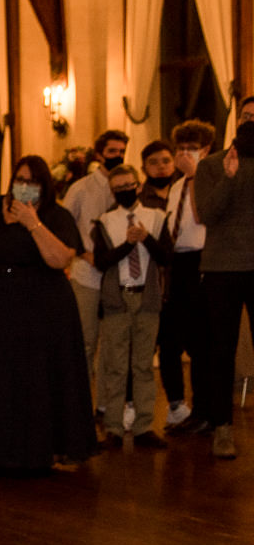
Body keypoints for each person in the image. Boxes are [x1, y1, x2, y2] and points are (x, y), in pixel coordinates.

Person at [0, 156, 96, 472]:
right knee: (0, 377)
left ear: (44, 186)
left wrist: (33, 224)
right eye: (20, 179)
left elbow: (59, 259)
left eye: (32, 182)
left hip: (44, 307)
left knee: (40, 378)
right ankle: (1, 451)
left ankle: (48, 450)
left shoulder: (55, 215)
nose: (24, 186)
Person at [91, 165, 171, 449]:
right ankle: (113, 427)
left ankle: (144, 426)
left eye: (129, 185)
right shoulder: (104, 221)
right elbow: (101, 261)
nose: (125, 191)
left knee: (143, 366)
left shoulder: (157, 218)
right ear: (113, 191)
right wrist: (128, 244)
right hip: (117, 299)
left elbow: (166, 256)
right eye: (118, 188)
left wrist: (146, 237)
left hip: (147, 298)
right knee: (115, 366)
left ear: (138, 186)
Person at [195, 114, 254, 459]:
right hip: (222, 269)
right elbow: (207, 214)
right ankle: (222, 428)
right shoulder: (212, 165)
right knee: (221, 351)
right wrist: (230, 179)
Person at [63, 129, 128, 409]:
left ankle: (106, 405)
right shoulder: (81, 187)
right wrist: (82, 253)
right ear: (100, 153)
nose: (118, 156)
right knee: (87, 342)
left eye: (122, 151)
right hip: (87, 274)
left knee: (113, 347)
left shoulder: (127, 184)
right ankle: (81, 405)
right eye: (112, 151)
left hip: (118, 274)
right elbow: (65, 225)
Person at [160, 120, 217, 434]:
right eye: (180, 149)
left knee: (201, 342)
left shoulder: (207, 178)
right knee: (172, 339)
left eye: (191, 149)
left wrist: (195, 175)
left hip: (201, 261)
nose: (183, 155)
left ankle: (207, 410)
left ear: (206, 151)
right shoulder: (177, 184)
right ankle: (183, 409)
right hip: (177, 264)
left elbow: (200, 216)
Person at [139, 140, 178, 211]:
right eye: (153, 162)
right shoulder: (137, 199)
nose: (161, 166)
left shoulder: (184, 193)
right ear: (143, 169)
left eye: (166, 161)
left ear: (174, 165)